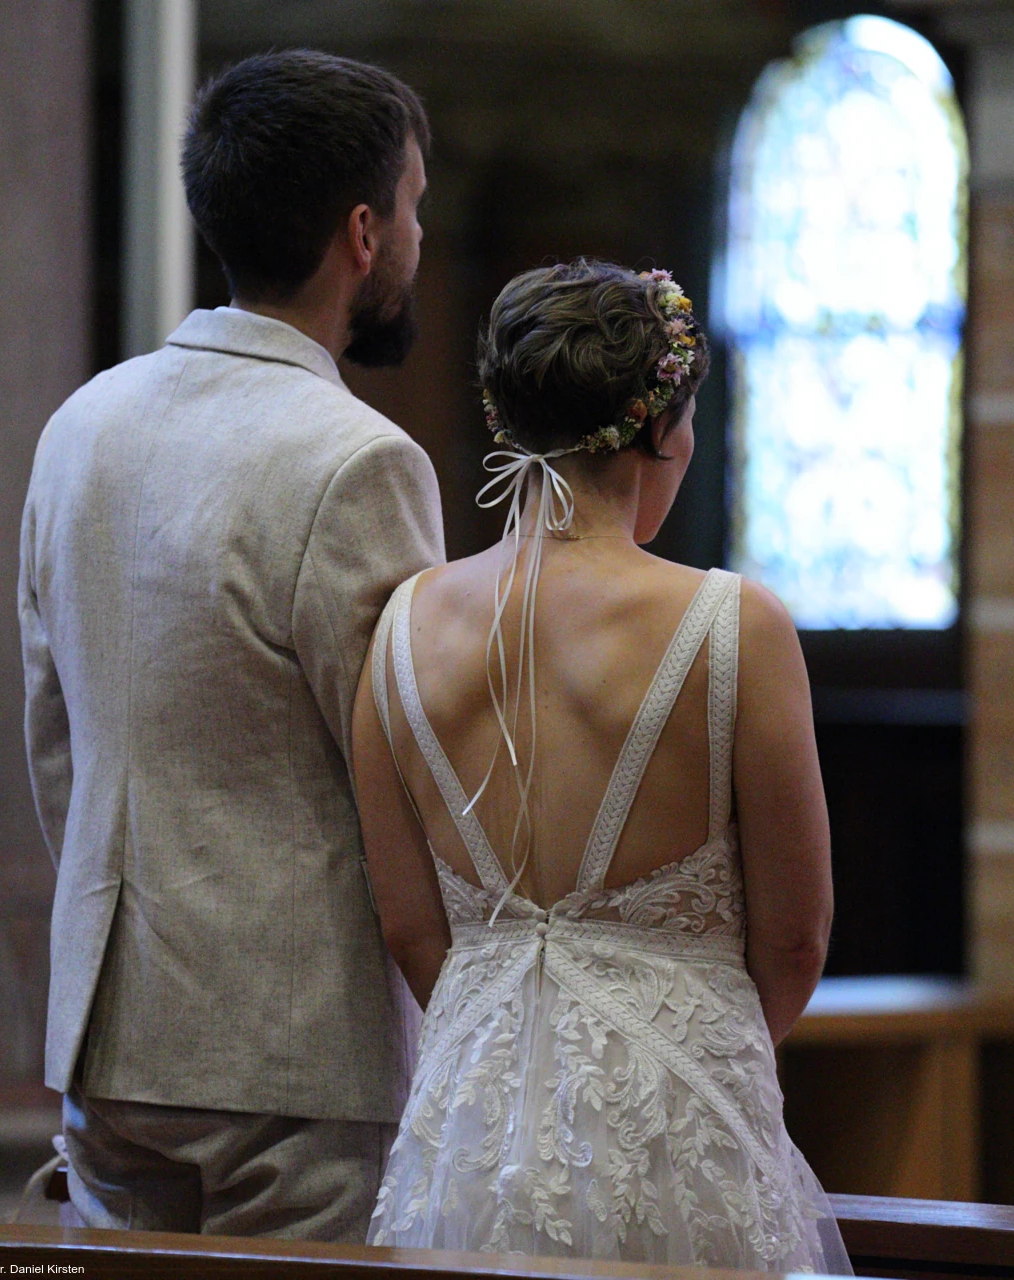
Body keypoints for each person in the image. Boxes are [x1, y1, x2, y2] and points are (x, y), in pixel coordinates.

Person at [16, 51, 441, 1241]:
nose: (420, 232)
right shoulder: (359, 458)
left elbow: (57, 739)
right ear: (363, 232)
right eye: (412, 204)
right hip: (294, 1054)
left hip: (111, 1036)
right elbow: (404, 776)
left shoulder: (80, 423)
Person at [351, 260, 849, 1273]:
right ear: (660, 430)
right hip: (678, 1118)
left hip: (474, 1131)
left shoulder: (400, 629)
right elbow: (796, 940)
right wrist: (683, 1040)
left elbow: (410, 925)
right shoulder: (734, 626)